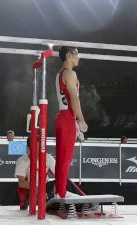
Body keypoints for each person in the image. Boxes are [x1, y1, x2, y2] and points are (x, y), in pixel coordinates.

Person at [54, 46, 88, 199]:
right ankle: (61, 193)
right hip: (68, 117)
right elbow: (74, 99)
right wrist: (81, 120)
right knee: (65, 158)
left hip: (62, 116)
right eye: (76, 54)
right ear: (68, 55)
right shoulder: (70, 73)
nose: (78, 57)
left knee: (61, 157)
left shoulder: (59, 74)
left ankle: (59, 191)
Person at [14, 137, 78, 210]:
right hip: (30, 188)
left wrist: (58, 186)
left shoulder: (48, 157)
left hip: (44, 186)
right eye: (35, 149)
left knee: (65, 180)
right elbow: (21, 183)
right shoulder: (22, 160)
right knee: (23, 190)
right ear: (28, 148)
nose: (38, 152)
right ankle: (26, 202)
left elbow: (59, 176)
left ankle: (77, 200)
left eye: (40, 149)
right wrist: (37, 189)